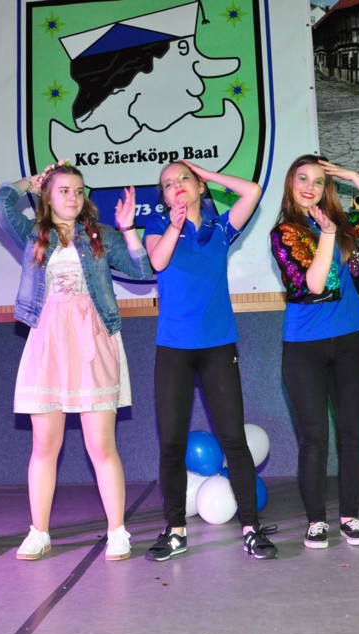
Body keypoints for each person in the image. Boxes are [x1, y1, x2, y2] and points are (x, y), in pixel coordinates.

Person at [0, 163, 153, 561]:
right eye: (63, 190)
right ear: (47, 196)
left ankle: (117, 531)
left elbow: (143, 269)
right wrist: (30, 182)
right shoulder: (34, 234)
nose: (73, 197)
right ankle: (39, 532)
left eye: (79, 191)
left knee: (101, 444)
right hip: (49, 342)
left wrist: (129, 228)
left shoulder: (99, 235)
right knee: (44, 444)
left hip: (93, 340)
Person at [143, 160, 277, 560]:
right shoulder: (157, 227)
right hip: (174, 350)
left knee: (233, 438)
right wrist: (174, 225)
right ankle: (175, 530)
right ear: (164, 197)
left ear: (200, 186)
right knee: (171, 443)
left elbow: (252, 192)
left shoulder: (220, 229)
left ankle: (251, 529)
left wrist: (205, 174)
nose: (176, 186)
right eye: (168, 184)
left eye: (183, 179)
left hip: (218, 347)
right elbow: (158, 262)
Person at [270, 155, 359, 549]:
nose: (310, 187)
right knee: (314, 438)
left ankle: (350, 516)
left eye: (319, 181)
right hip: (304, 347)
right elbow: (314, 284)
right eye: (302, 179)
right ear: (291, 185)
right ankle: (315, 522)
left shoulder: (339, 224)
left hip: (348, 342)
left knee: (353, 435)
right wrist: (326, 234)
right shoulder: (284, 232)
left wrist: (354, 177)